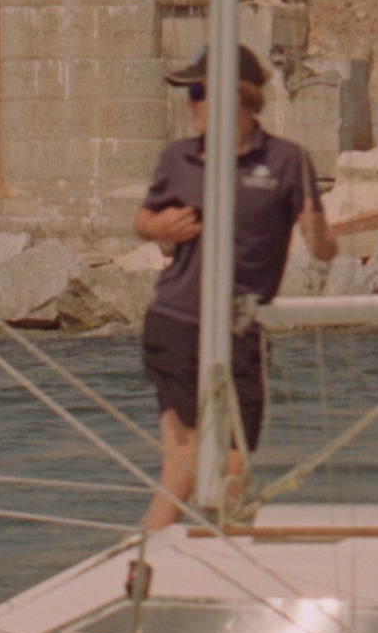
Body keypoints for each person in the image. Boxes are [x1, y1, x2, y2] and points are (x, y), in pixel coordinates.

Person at [133, 47, 334, 529]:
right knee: (187, 458)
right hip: (178, 321)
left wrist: (317, 233)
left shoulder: (289, 161)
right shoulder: (178, 158)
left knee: (235, 466)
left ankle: (223, 561)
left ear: (239, 99)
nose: (191, 104)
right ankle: (135, 560)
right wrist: (161, 227)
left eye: (199, 92)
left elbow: (325, 249)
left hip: (242, 326)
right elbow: (143, 219)